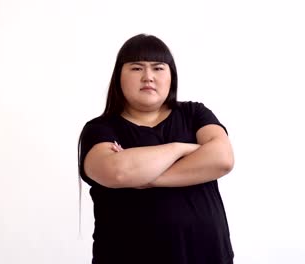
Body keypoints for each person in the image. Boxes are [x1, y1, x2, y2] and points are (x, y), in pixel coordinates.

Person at [77, 33, 235, 264]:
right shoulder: (100, 129)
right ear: (119, 76)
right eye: (136, 68)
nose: (148, 77)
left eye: (158, 68)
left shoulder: (194, 114)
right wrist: (181, 148)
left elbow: (222, 158)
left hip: (207, 255)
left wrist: (145, 177)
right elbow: (118, 172)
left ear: (171, 76)